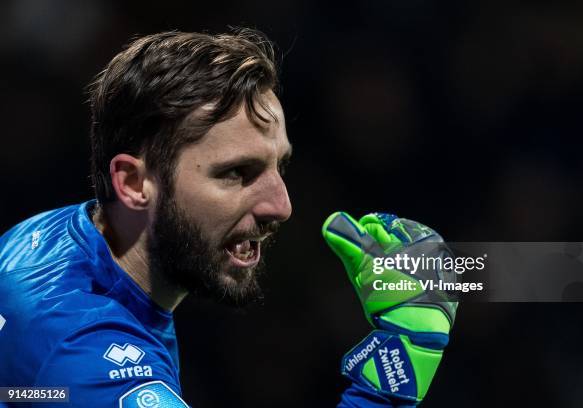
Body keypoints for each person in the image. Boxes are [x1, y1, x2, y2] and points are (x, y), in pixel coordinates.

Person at [0, 28, 455, 407]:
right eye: (238, 172)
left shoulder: (45, 235)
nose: (281, 206)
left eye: (281, 165)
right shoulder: (91, 367)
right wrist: (388, 385)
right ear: (134, 183)